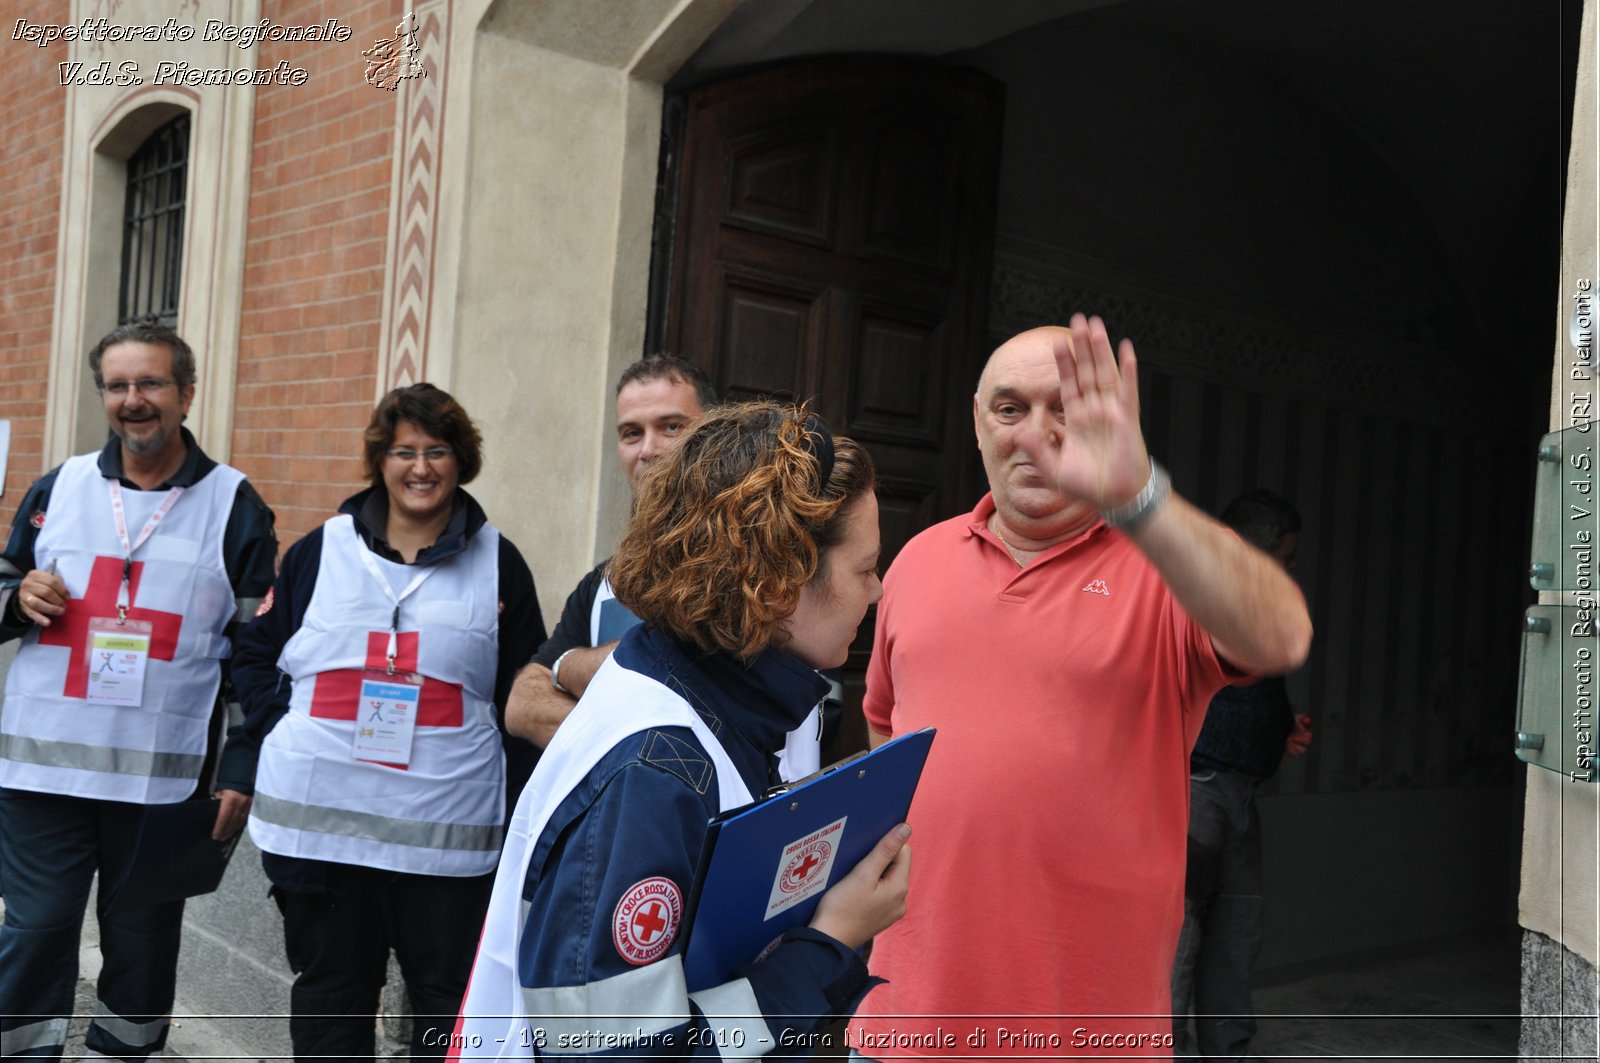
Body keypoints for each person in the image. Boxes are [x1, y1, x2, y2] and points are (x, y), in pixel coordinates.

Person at [849, 316, 1312, 1060]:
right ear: (977, 423)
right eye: (1011, 408)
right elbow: (885, 730)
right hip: (906, 1021)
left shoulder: (1164, 570)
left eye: (1065, 409)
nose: (1036, 432)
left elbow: (1281, 633)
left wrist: (1143, 497)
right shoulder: (915, 562)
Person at [456, 402, 912, 1060]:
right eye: (865, 567)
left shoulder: (699, 695)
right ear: (779, 582)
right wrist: (829, 943)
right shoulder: (654, 771)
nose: (876, 591)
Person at [230, 383, 546, 1063]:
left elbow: (524, 697)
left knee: (446, 1004)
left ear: (462, 460)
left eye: (438, 450)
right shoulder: (322, 550)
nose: (421, 467)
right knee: (332, 998)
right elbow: (255, 651)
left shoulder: (499, 564)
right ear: (381, 459)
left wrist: (520, 819)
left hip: (447, 841)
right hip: (324, 834)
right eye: (404, 450)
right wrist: (280, 725)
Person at [0, 323, 277, 1061]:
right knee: (33, 932)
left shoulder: (234, 505)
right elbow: (3, 580)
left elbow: (257, 652)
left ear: (186, 394)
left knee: (143, 946)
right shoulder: (57, 487)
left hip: (162, 781)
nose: (134, 400)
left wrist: (242, 766)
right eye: (118, 386)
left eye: (150, 383)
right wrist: (14, 595)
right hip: (41, 775)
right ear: (103, 397)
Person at [505, 354, 826, 776]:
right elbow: (523, 703)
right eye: (631, 433)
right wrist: (633, 748)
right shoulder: (603, 582)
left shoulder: (773, 566)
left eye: (671, 427)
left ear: (714, 434)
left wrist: (571, 668)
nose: (648, 450)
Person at [1170, 489, 1314, 1061]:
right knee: (1181, 939)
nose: (1293, 569)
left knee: (1235, 934)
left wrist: (1281, 727)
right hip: (1192, 793)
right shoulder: (1192, 600)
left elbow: (1252, 690)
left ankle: (1228, 1052)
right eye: (1288, 556)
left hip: (1239, 794)